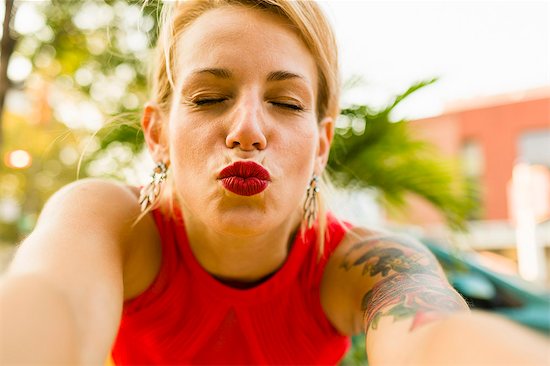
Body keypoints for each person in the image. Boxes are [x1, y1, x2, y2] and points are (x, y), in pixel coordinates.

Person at [0, 1, 548, 365]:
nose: (247, 131)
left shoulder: (360, 264)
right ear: (158, 133)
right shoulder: (112, 223)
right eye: (209, 98)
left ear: (321, 143)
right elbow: (48, 306)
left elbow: (436, 338)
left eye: (285, 104)